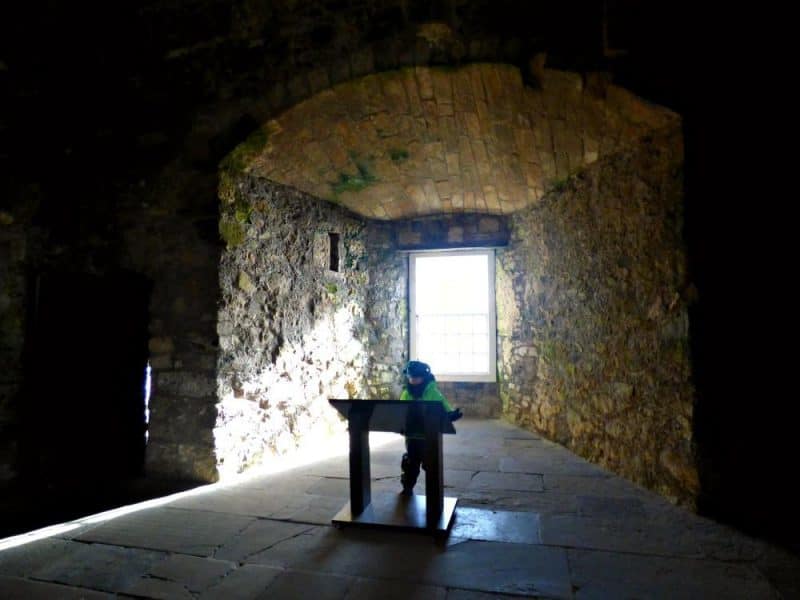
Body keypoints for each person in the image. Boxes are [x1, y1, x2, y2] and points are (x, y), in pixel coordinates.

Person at [398, 360, 463, 496]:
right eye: (410, 377)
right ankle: (407, 487)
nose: (413, 380)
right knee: (410, 464)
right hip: (412, 436)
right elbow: (400, 410)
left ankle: (434, 493)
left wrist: (451, 415)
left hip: (429, 436)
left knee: (431, 463)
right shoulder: (406, 393)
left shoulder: (433, 393)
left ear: (424, 377)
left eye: (416, 377)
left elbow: (444, 408)